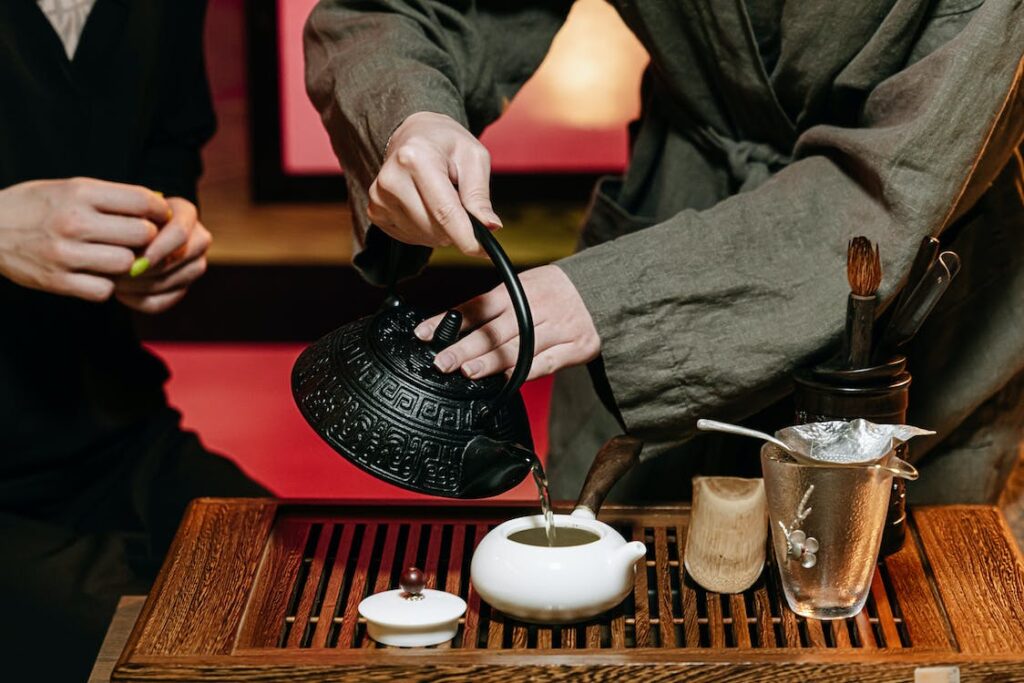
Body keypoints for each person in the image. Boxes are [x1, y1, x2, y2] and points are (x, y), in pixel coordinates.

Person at [305, 2, 1024, 505]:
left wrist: (613, 300)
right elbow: (408, 10)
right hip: (678, 198)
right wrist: (411, 115)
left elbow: (892, 183)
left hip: (923, 300)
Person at [0, 1, 265, 679]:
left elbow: (170, 145)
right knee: (162, 659)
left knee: (311, 587)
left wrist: (163, 232)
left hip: (113, 425)